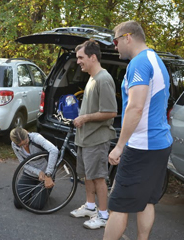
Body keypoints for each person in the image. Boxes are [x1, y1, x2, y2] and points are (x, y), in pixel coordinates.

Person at [104, 21, 173, 240]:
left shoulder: (139, 63)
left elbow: (136, 107)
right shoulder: (156, 60)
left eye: (116, 41)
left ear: (128, 37)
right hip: (160, 143)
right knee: (147, 201)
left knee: (118, 205)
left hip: (142, 145)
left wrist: (119, 146)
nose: (115, 46)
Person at [69, 40, 117, 230]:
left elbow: (111, 112)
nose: (78, 61)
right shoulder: (92, 77)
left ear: (93, 57)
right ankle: (90, 206)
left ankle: (104, 215)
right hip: (86, 138)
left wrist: (86, 118)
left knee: (98, 177)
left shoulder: (104, 79)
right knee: (88, 174)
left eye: (81, 57)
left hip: (97, 138)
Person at [10, 127, 57, 209]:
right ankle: (34, 189)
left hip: (46, 175)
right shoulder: (14, 145)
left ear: (27, 135)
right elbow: (23, 164)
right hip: (29, 174)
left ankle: (42, 190)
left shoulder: (36, 138)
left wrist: (48, 174)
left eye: (26, 142)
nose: (25, 145)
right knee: (18, 203)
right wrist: (38, 172)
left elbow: (54, 150)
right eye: (21, 145)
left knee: (36, 206)